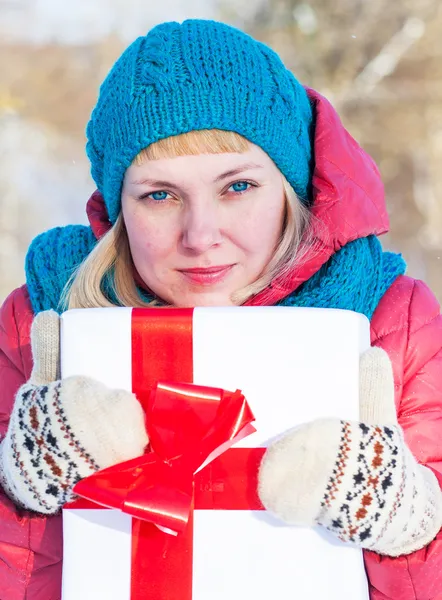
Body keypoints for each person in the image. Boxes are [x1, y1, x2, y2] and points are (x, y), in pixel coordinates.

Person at [0, 18, 441, 600]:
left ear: (290, 186)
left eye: (238, 187)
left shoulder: (391, 322)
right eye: (160, 195)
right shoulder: (42, 323)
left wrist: (402, 527)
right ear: (118, 209)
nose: (200, 234)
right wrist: (23, 492)